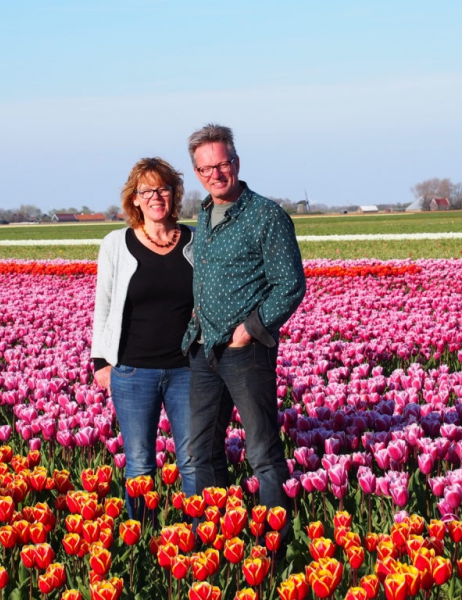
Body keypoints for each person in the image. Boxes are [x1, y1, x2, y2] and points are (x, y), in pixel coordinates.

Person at [182, 124, 306, 539]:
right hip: (202, 349)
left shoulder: (265, 215)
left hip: (243, 351)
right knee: (201, 451)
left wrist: (248, 331)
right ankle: (212, 538)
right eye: (205, 168)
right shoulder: (203, 212)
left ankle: (276, 544)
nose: (215, 174)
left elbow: (290, 284)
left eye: (222, 164)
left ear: (236, 162)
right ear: (197, 172)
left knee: (262, 451)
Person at [91, 157, 196, 521]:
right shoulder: (116, 244)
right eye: (146, 190)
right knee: (138, 462)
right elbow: (103, 303)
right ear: (134, 199)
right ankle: (142, 538)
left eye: (163, 188)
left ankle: (201, 536)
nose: (156, 197)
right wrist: (101, 361)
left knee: (192, 461)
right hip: (133, 371)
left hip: (187, 369)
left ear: (174, 193)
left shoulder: (196, 240)